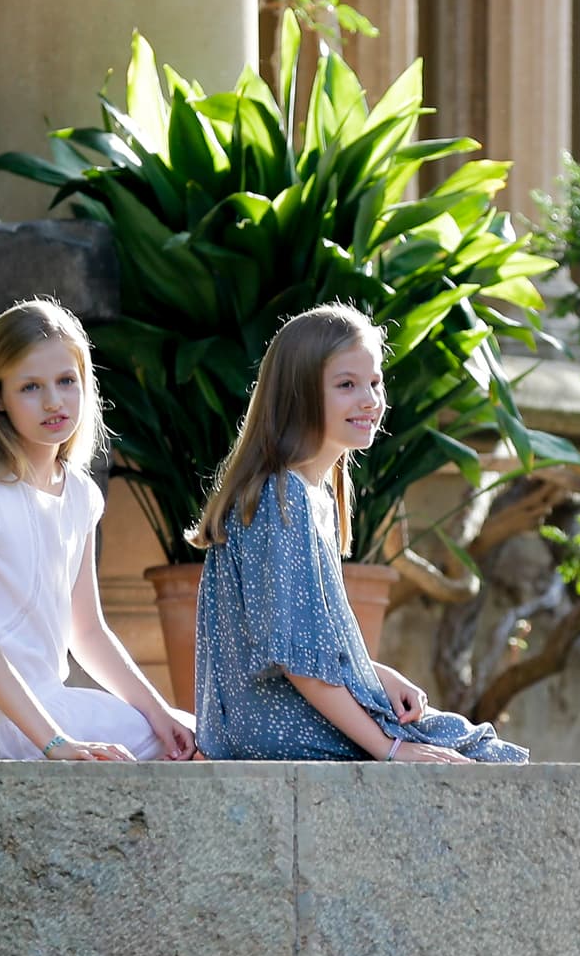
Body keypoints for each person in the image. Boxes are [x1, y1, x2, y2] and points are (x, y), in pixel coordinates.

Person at [189, 303, 527, 763]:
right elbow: (297, 662)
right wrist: (391, 750)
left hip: (280, 717)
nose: (369, 399)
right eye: (346, 385)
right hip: (278, 724)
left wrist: (376, 674)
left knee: (476, 747)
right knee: (484, 755)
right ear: (299, 394)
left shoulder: (310, 496)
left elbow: (308, 646)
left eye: (374, 382)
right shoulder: (281, 498)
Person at [0, 298, 195, 761]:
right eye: (29, 387)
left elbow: (86, 631)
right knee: (184, 753)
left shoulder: (81, 494)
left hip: (48, 707)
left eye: (67, 381)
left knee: (191, 738)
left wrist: (158, 713)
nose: (53, 401)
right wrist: (56, 742)